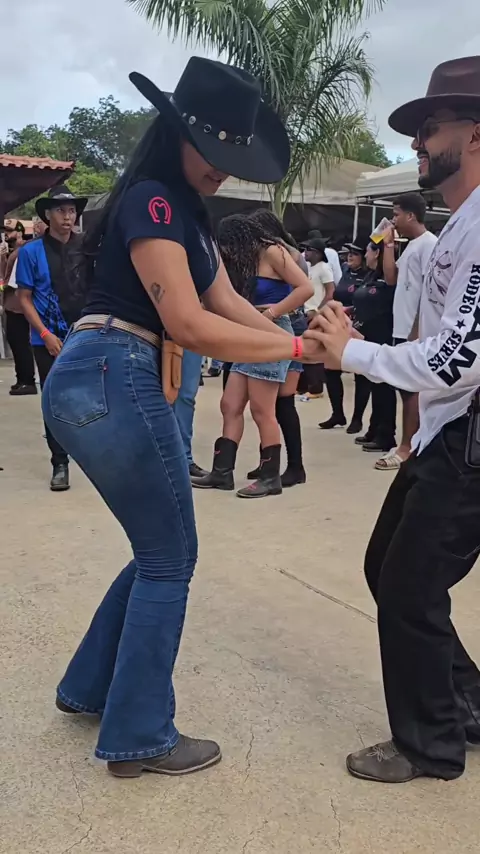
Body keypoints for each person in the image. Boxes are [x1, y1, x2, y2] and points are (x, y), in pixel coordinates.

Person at [40, 57, 324, 778]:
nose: (223, 168)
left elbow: (227, 305)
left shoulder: (187, 213)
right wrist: (298, 348)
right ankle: (139, 736)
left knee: (155, 549)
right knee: (172, 558)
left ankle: (88, 688)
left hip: (100, 374)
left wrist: (308, 336)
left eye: (235, 155)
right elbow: (189, 324)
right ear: (177, 134)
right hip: (117, 369)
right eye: (214, 149)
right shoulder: (155, 201)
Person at [307, 55, 480, 784]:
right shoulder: (459, 224)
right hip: (448, 432)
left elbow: (459, 358)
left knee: (410, 586)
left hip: (469, 435)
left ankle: (430, 746)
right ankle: (465, 703)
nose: (416, 141)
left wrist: (351, 354)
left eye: (431, 126)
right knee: (390, 568)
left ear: (475, 134)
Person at [192, 213, 313, 497]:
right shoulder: (242, 261)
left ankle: (270, 477)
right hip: (247, 332)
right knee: (229, 404)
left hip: (272, 330)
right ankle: (222, 472)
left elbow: (305, 288)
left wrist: (271, 313)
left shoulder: (273, 252)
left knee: (262, 409)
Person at [16, 187, 89, 491]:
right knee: (53, 398)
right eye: (60, 210)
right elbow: (24, 298)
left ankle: (96, 456)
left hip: (84, 334)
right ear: (47, 215)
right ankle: (60, 462)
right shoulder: (30, 252)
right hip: (46, 338)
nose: (67, 217)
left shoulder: (87, 247)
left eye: (71, 210)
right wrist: (45, 334)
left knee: (90, 396)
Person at [245, 207, 309, 486]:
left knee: (283, 401)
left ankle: (295, 466)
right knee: (272, 402)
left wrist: (271, 313)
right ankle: (269, 463)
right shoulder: (268, 254)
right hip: (277, 326)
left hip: (288, 326)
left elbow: (303, 290)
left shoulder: (284, 254)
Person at [376, 194, 438, 471]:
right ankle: (411, 443)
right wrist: (388, 244)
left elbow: (429, 291)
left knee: (412, 390)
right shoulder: (412, 245)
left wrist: (417, 330)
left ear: (411, 215)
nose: (393, 220)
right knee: (405, 389)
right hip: (401, 327)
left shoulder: (430, 244)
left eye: (396, 214)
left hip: (415, 330)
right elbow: (391, 277)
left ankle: (406, 448)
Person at [350, 241, 397, 453]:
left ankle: (386, 435)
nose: (365, 255)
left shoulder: (388, 279)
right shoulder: (370, 276)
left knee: (383, 388)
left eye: (368, 251)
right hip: (366, 336)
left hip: (382, 336)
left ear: (377, 253)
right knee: (373, 385)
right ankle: (374, 428)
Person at [319, 242, 370, 431]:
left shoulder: (369, 275)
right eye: (349, 253)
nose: (350, 256)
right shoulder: (346, 272)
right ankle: (337, 414)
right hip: (340, 325)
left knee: (360, 374)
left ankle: (357, 418)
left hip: (359, 327)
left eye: (355, 253)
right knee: (330, 371)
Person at [2, 222, 37, 395]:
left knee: (20, 342)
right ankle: (21, 379)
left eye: (9, 232)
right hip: (12, 304)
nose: (6, 235)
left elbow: (11, 281)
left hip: (18, 305)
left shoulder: (21, 253)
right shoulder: (11, 252)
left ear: (20, 233)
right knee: (15, 341)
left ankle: (27, 380)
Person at [300, 237, 334, 402]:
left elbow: (330, 292)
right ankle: (305, 386)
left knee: (314, 352)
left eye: (309, 250)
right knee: (304, 350)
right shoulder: (308, 268)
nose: (305, 252)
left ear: (318, 253)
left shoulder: (324, 268)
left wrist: (318, 311)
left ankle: (316, 388)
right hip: (305, 312)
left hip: (315, 313)